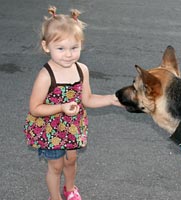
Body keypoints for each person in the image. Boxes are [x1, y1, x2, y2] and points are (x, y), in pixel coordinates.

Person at [23, 6, 122, 200]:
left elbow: (88, 99)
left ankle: (70, 189)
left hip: (73, 126)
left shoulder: (81, 70)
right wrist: (61, 107)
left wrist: (111, 99)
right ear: (46, 46)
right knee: (56, 166)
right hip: (50, 128)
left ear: (81, 46)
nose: (68, 54)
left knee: (71, 160)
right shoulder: (45, 76)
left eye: (74, 48)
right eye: (60, 49)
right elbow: (35, 108)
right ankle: (55, 197)